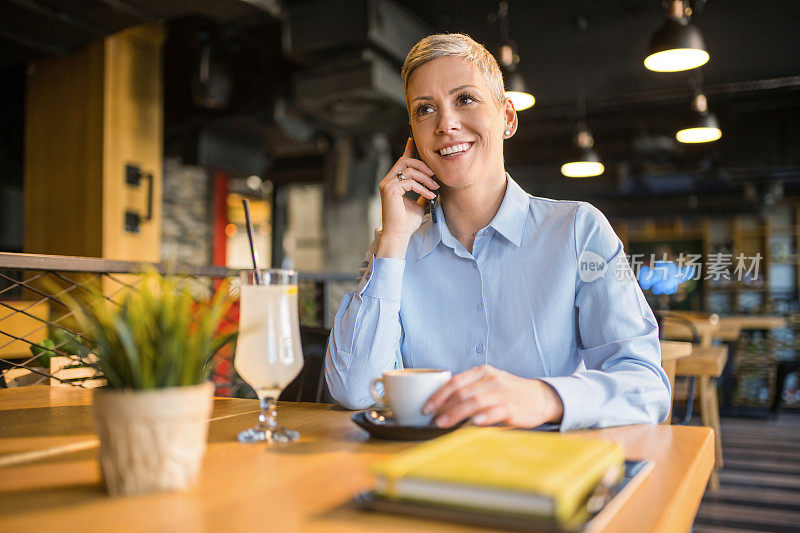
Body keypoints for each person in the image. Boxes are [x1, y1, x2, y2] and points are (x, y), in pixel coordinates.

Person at [324, 33, 670, 430]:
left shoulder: (580, 230)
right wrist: (392, 241)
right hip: (426, 475)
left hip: (542, 475)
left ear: (507, 117)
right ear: (413, 135)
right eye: (425, 109)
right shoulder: (396, 249)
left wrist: (544, 397)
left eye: (465, 99)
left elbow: (646, 385)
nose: (446, 124)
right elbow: (353, 390)